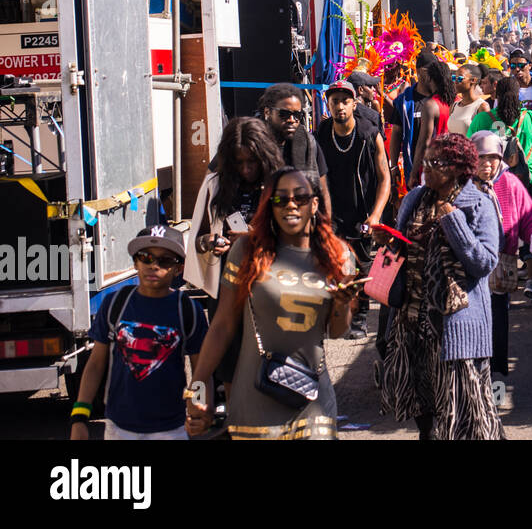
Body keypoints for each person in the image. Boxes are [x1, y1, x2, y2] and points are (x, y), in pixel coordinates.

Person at [187, 168, 358, 440]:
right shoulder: (247, 252)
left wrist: (341, 304)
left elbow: (337, 332)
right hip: (255, 403)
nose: (290, 204)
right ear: (270, 206)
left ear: (315, 203)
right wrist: (196, 389)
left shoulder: (337, 255)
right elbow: (222, 326)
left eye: (300, 198)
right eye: (280, 199)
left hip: (312, 399)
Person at [377, 134, 503, 440]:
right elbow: (405, 251)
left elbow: (485, 263)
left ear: (458, 169)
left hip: (455, 328)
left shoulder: (479, 204)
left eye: (436, 163)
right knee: (424, 410)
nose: (426, 168)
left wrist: (454, 222)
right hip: (413, 322)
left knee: (468, 417)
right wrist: (389, 243)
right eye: (426, 161)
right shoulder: (415, 199)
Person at [71, 226, 208, 440]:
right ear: (135, 263)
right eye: (146, 257)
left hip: (171, 430)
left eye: (165, 260)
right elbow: (96, 364)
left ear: (178, 269)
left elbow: (200, 371)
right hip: (118, 428)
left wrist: (198, 407)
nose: (153, 266)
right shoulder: (115, 304)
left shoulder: (188, 310)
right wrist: (79, 417)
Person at [470, 131, 532, 404]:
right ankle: (471, 384)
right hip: (468, 270)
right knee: (470, 329)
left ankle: (497, 383)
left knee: (498, 327)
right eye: (482, 157)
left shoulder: (510, 183)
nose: (487, 163)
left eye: (493, 157)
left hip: (501, 268)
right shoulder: (462, 184)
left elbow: (529, 218)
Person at [317, 80, 391, 339]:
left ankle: (359, 318)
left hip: (363, 211)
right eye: (334, 100)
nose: (340, 106)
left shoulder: (369, 134)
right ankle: (338, 315)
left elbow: (384, 178)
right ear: (328, 103)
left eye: (345, 100)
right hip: (332, 210)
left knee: (362, 267)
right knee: (334, 265)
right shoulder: (322, 133)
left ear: (354, 103)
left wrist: (376, 215)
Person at [187, 117, 283, 300]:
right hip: (225, 288)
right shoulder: (214, 185)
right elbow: (198, 240)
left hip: (268, 288)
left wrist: (256, 238)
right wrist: (209, 241)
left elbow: (295, 240)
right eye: (239, 162)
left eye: (252, 161)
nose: (246, 169)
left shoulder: (279, 185)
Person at [257, 83, 332, 221]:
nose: (292, 120)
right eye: (284, 114)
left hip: (299, 226)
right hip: (258, 225)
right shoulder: (252, 142)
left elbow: (322, 191)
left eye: (297, 115)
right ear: (267, 112)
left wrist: (326, 226)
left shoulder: (308, 143)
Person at [469, 76, 532, 197]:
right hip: (526, 181)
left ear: (496, 95)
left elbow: (469, 148)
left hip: (492, 182)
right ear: (518, 94)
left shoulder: (482, 119)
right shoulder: (529, 117)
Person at [391, 49, 446, 193]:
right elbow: (396, 133)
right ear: (421, 72)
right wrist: (394, 165)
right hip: (414, 172)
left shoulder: (443, 99)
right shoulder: (404, 101)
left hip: (441, 169)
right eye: (431, 71)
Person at [411, 55, 458, 182]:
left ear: (430, 78)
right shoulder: (458, 101)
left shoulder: (431, 105)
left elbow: (423, 142)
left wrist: (413, 173)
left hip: (436, 165)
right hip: (457, 163)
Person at [449, 62, 491, 135]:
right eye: (453, 78)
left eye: (459, 78)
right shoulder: (454, 106)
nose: (455, 81)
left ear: (473, 80)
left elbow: (484, 138)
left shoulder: (481, 107)